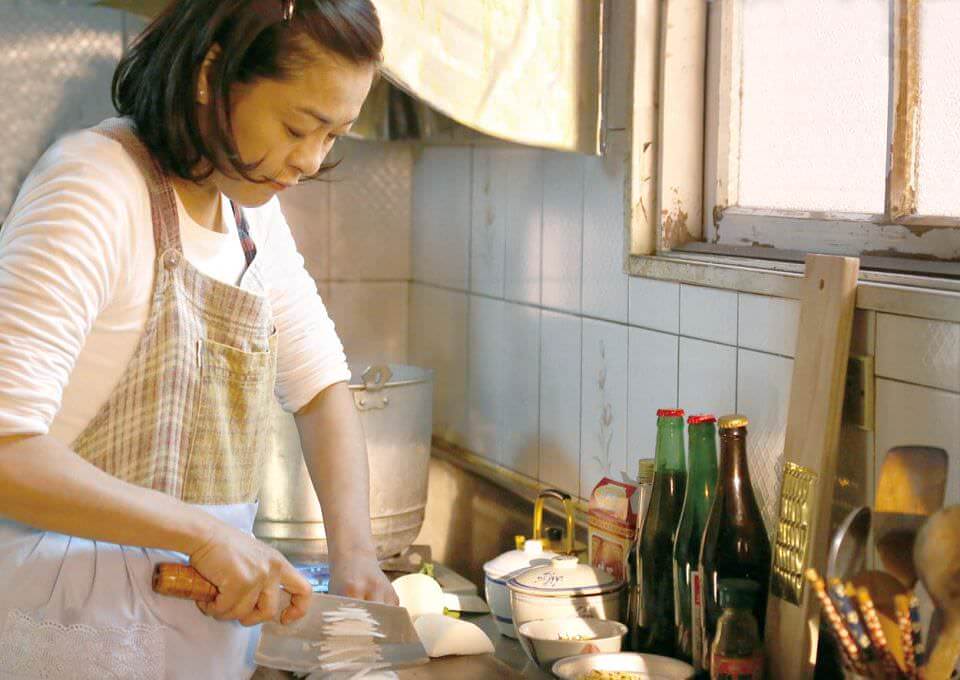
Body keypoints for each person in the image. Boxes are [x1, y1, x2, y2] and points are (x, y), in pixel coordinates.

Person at [0, 1, 396, 677]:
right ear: (213, 74)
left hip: (196, 645)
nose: (308, 161)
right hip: (67, 638)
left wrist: (354, 552)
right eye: (299, 126)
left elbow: (322, 384)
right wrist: (202, 533)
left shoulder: (246, 214)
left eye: (334, 136)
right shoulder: (94, 187)